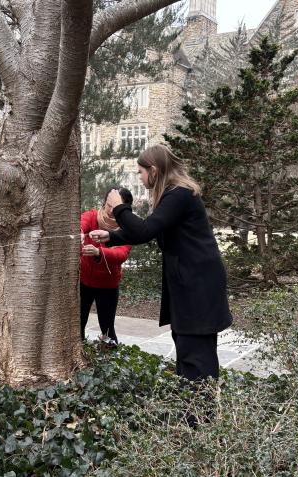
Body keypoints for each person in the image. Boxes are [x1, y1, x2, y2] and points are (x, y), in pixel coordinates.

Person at [89, 145, 232, 385]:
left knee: (196, 355)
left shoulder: (179, 194)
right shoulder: (175, 194)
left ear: (154, 171)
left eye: (140, 172)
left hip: (197, 287)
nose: (139, 177)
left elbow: (145, 230)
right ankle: (193, 411)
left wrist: (118, 207)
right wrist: (111, 237)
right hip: (191, 284)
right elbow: (151, 228)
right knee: (187, 348)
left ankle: (199, 416)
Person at [79, 188, 132, 346]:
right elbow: (81, 222)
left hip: (108, 285)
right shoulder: (92, 216)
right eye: (108, 204)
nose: (110, 210)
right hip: (83, 282)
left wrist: (98, 252)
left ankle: (111, 359)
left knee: (107, 330)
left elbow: (121, 255)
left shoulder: (128, 228)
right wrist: (80, 233)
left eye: (115, 206)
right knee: (77, 325)